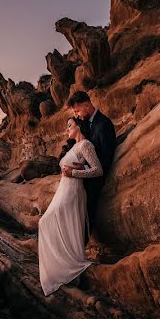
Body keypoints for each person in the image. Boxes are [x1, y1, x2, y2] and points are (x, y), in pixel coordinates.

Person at [37, 116, 103, 296]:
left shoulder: (86, 145)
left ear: (79, 126)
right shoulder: (74, 147)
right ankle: (62, 266)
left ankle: (70, 266)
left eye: (70, 125)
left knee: (49, 223)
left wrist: (74, 172)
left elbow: (98, 170)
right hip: (63, 190)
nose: (67, 129)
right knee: (48, 223)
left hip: (73, 191)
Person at [66, 91, 116, 237]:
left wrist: (82, 170)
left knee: (84, 219)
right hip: (86, 175)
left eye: (77, 111)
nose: (76, 115)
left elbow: (106, 159)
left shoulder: (104, 124)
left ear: (87, 106)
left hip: (94, 181)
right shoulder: (87, 123)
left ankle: (79, 250)